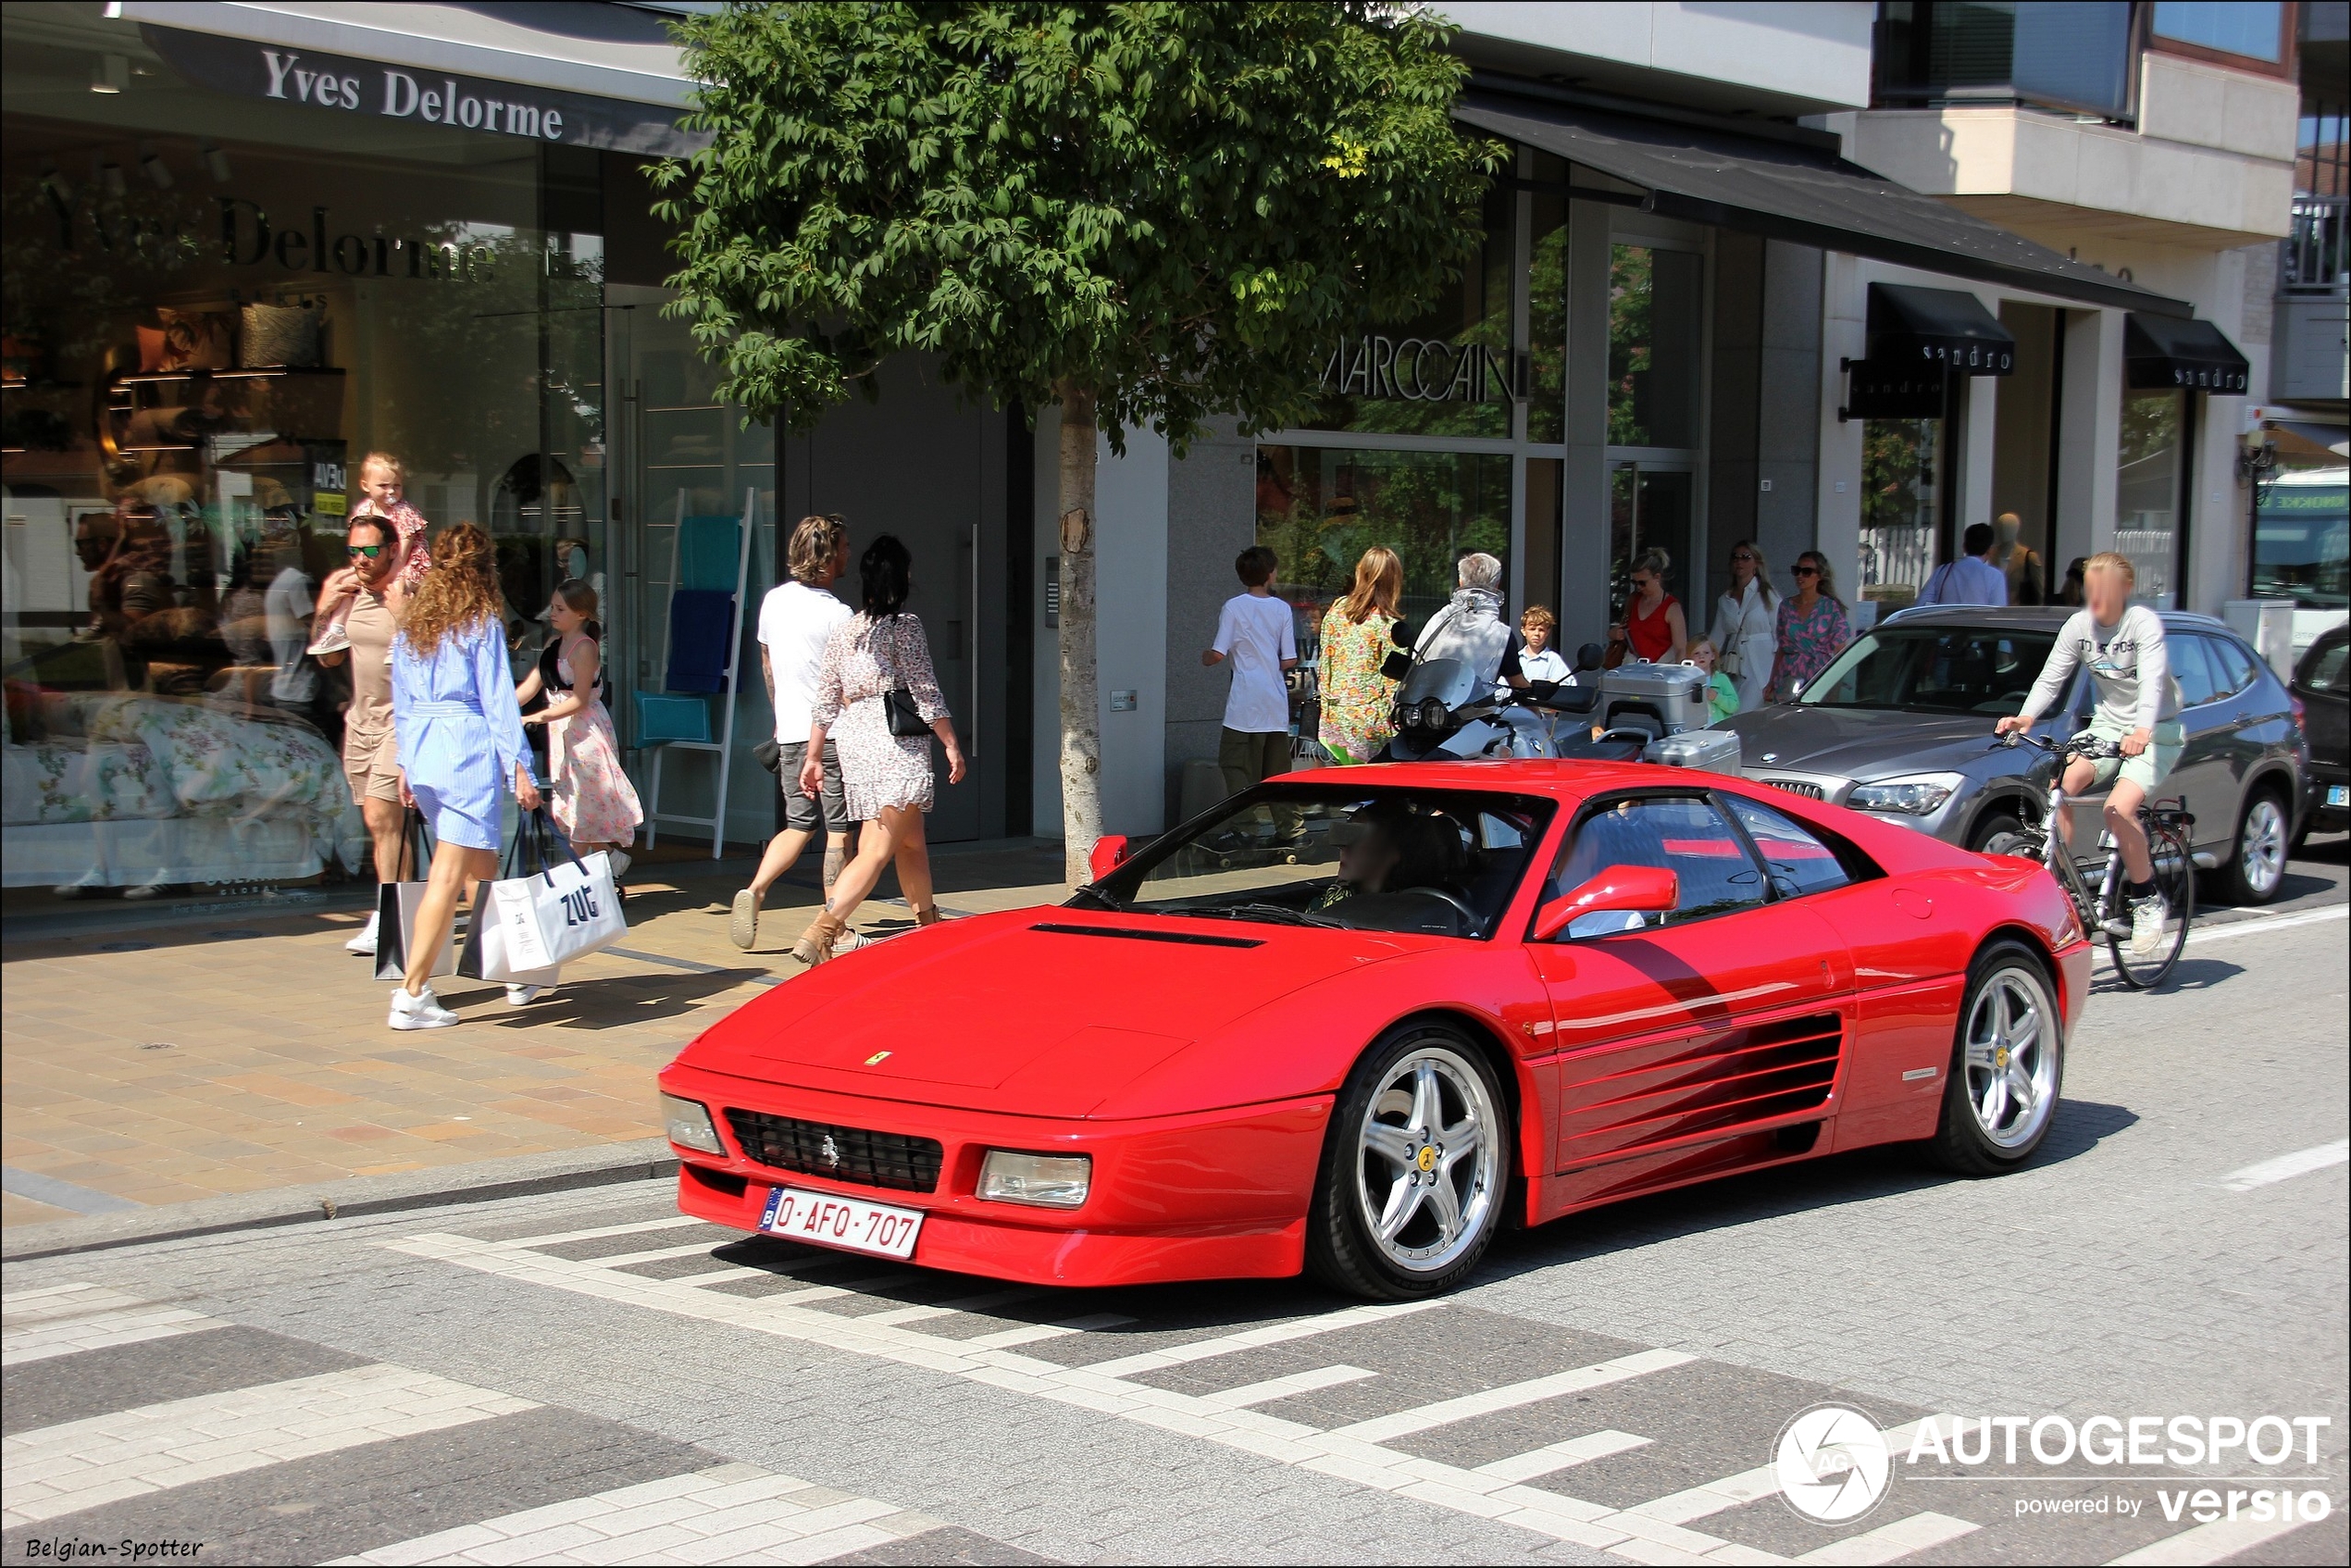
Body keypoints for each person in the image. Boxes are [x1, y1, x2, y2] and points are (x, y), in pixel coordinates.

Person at [386, 523, 541, 1028]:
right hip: (465, 753)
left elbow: (403, 705)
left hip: (427, 752)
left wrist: (406, 764)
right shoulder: (480, 623)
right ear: (483, 569)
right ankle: (412, 993)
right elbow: (498, 701)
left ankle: (514, 969)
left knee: (480, 870)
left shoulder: (413, 626)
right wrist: (520, 764)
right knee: (450, 876)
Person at [1996, 552, 2183, 958]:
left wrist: (2142, 730)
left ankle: (2147, 899)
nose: (2095, 598)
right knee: (2063, 783)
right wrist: (2026, 716)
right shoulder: (2079, 626)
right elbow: (2052, 676)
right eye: (2090, 589)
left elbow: (2151, 682)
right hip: (2106, 727)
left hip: (2156, 730)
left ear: (2125, 590)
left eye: (2105, 590)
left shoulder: (2142, 624)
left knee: (2118, 809)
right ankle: (2064, 887)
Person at [790, 535, 966, 965]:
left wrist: (813, 757)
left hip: (857, 743)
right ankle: (824, 929)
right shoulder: (905, 626)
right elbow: (924, 691)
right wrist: (951, 743)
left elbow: (827, 698)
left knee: (910, 842)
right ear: (901, 577)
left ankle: (928, 923)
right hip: (895, 743)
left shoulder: (847, 630)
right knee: (878, 846)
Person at [733, 515, 861, 949]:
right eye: (843, 547)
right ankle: (834, 925)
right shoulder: (839, 614)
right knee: (839, 830)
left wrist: (780, 714)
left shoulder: (774, 601)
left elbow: (768, 663)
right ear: (827, 557)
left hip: (788, 730)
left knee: (798, 824)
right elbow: (846, 683)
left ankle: (755, 889)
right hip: (832, 735)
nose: (848, 554)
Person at [311, 512, 405, 956]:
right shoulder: (349, 593)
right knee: (378, 823)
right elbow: (327, 658)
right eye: (354, 551)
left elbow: (428, 652)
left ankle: (390, 916)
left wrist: (400, 611)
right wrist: (324, 607)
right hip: (361, 723)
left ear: (391, 550)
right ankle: (399, 909)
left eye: (370, 550)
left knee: (382, 819)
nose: (361, 559)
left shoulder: (405, 592)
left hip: (398, 724)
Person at [516, 579, 641, 875]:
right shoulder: (553, 645)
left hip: (585, 732)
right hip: (563, 732)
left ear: (581, 614)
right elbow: (531, 686)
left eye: (560, 608)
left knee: (583, 803)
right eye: (554, 607)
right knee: (576, 800)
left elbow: (580, 700)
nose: (553, 613)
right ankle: (607, 859)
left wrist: (537, 717)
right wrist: (499, 709)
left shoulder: (585, 648)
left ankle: (571, 878)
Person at [1205, 545, 1301, 826]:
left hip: (1244, 702)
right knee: (1277, 772)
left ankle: (1247, 825)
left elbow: (1218, 653)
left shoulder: (1234, 607)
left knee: (1234, 763)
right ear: (1270, 574)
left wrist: (1204, 658)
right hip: (1274, 701)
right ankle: (1291, 829)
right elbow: (1290, 659)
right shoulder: (1282, 608)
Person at [310, 452, 429, 655]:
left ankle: (398, 637)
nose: (391, 491)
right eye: (383, 486)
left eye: (396, 486)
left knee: (399, 590)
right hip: (380, 573)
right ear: (366, 486)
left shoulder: (404, 512)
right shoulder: (364, 510)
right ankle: (338, 629)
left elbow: (401, 555)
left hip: (408, 567)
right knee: (344, 583)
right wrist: (324, 609)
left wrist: (386, 580)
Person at [1315, 544, 1403, 764]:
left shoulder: (1337, 609)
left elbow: (1324, 661)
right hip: (1370, 726)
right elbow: (1394, 683)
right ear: (1394, 580)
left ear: (1360, 573)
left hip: (1334, 719)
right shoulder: (1389, 624)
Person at [1413, 552, 1526, 693]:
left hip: (1424, 705)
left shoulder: (1438, 619)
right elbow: (1518, 684)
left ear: (1460, 582)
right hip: (1472, 712)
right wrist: (1537, 712)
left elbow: (1415, 663)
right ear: (1497, 586)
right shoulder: (1501, 634)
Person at [1767, 551, 1853, 701]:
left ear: (1819, 576)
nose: (1800, 576)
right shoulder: (1786, 606)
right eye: (1797, 571)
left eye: (1806, 571)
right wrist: (1772, 681)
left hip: (1819, 676)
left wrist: (1836, 686)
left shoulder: (1830, 607)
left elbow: (1840, 651)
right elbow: (1782, 647)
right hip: (1789, 675)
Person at [1707, 540, 1778, 712]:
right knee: (1730, 711)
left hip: (1762, 665)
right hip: (1734, 665)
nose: (1739, 561)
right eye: (1735, 557)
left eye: (1746, 557)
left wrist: (1777, 675)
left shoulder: (1768, 595)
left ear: (1756, 563)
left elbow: (1780, 635)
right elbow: (1716, 639)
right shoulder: (1725, 600)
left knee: (1743, 711)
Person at [1618, 549, 1687, 666]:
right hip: (1633, 667)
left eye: (1642, 583)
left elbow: (1681, 649)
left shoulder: (1672, 608)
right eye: (1634, 582)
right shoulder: (1633, 600)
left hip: (1662, 668)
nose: (1638, 587)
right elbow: (1622, 628)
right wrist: (1615, 633)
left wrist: (1680, 674)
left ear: (1657, 577)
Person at [1916, 521, 2009, 606]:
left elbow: (1921, 605)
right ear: (1990, 550)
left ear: (1964, 547)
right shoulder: (1995, 576)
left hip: (1946, 623)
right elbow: (1997, 613)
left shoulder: (1942, 571)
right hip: (1977, 624)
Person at [1995, 513, 2046, 605]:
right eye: (2000, 527)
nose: (2004, 531)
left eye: (2009, 527)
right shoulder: (1991, 554)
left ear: (2016, 529)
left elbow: (2039, 591)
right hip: (1993, 612)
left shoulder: (2029, 557)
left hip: (2017, 612)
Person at [1686, 638, 1740, 725]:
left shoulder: (1721, 679)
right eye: (1696, 653)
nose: (1701, 656)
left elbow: (1734, 705)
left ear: (1713, 656)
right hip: (1697, 730)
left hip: (1720, 730)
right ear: (1689, 657)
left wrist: (1717, 697)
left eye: (1706, 652)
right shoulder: (1687, 681)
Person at [1516, 605, 1570, 686]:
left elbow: (1568, 685)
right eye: (1532, 629)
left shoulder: (1553, 660)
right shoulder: (1516, 659)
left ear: (1547, 633)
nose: (1537, 634)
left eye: (1541, 630)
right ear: (1523, 631)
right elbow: (1500, 690)